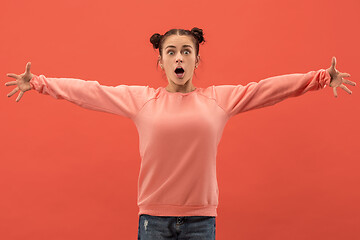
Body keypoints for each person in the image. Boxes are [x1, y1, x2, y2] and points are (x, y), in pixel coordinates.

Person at [4, 27, 356, 240]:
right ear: (160, 61)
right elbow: (91, 91)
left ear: (196, 61)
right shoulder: (142, 101)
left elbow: (266, 88)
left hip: (202, 220)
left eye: (186, 51)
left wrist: (320, 78)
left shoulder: (218, 100)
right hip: (152, 221)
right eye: (170, 51)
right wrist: (39, 83)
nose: (179, 57)